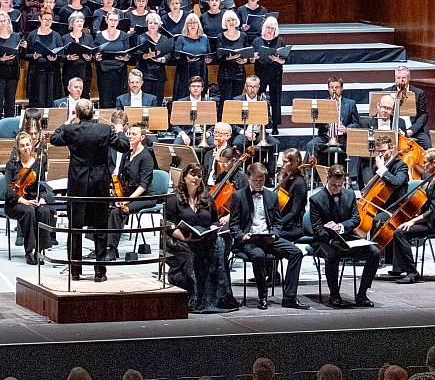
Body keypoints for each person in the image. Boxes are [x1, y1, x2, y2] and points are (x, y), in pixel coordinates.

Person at [50, 99, 119, 281]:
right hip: (99, 183)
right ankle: (100, 272)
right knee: (100, 227)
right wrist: (119, 131)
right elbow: (123, 145)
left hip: (78, 183)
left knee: (75, 227)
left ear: (78, 114)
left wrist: (68, 121)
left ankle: (75, 270)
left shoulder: (70, 130)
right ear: (94, 113)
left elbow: (54, 138)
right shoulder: (104, 130)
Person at [228, 163, 307, 311]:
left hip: (268, 238)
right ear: (248, 178)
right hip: (249, 240)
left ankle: (289, 297)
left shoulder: (272, 196)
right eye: (255, 180)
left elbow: (277, 222)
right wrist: (242, 236)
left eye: (262, 180)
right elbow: (234, 225)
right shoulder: (238, 197)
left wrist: (275, 234)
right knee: (258, 255)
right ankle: (263, 297)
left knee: (296, 252)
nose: (259, 183)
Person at [165, 162, 237, 313]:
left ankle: (219, 298)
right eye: (193, 175)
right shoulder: (173, 199)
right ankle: (197, 297)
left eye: (199, 176)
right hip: (182, 239)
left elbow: (214, 220)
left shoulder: (207, 198)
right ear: (184, 177)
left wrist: (213, 227)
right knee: (193, 254)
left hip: (203, 238)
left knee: (219, 245)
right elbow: (169, 226)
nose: (196, 178)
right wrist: (186, 238)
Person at [377, 148, 435, 286]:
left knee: (400, 232)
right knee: (398, 225)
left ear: (434, 163)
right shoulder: (433, 180)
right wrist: (414, 216)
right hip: (429, 220)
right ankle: (399, 268)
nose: (423, 165)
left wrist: (412, 221)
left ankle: (412, 272)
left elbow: (433, 211)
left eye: (425, 162)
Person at [3, 131, 56, 264]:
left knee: (44, 211)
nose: (26, 148)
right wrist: (23, 201)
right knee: (28, 211)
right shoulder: (12, 165)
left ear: (31, 145)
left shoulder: (38, 164)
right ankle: (29, 250)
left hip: (33, 201)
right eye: (22, 146)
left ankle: (40, 250)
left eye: (27, 144)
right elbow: (7, 191)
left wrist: (42, 199)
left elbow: (42, 187)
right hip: (15, 203)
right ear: (18, 147)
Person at [109, 123, 156, 258]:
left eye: (134, 134)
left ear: (142, 137)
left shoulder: (146, 157)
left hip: (144, 197)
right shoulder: (127, 153)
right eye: (129, 133)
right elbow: (121, 177)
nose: (130, 136)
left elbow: (143, 186)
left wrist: (126, 201)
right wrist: (115, 194)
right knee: (103, 205)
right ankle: (99, 246)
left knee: (118, 211)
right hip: (128, 194)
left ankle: (111, 249)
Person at [385, 66, 431, 148]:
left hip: (413, 130)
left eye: (403, 78)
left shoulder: (418, 93)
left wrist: (412, 130)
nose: (401, 80)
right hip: (393, 129)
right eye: (398, 78)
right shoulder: (386, 92)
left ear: (409, 78)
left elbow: (423, 115)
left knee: (427, 145)